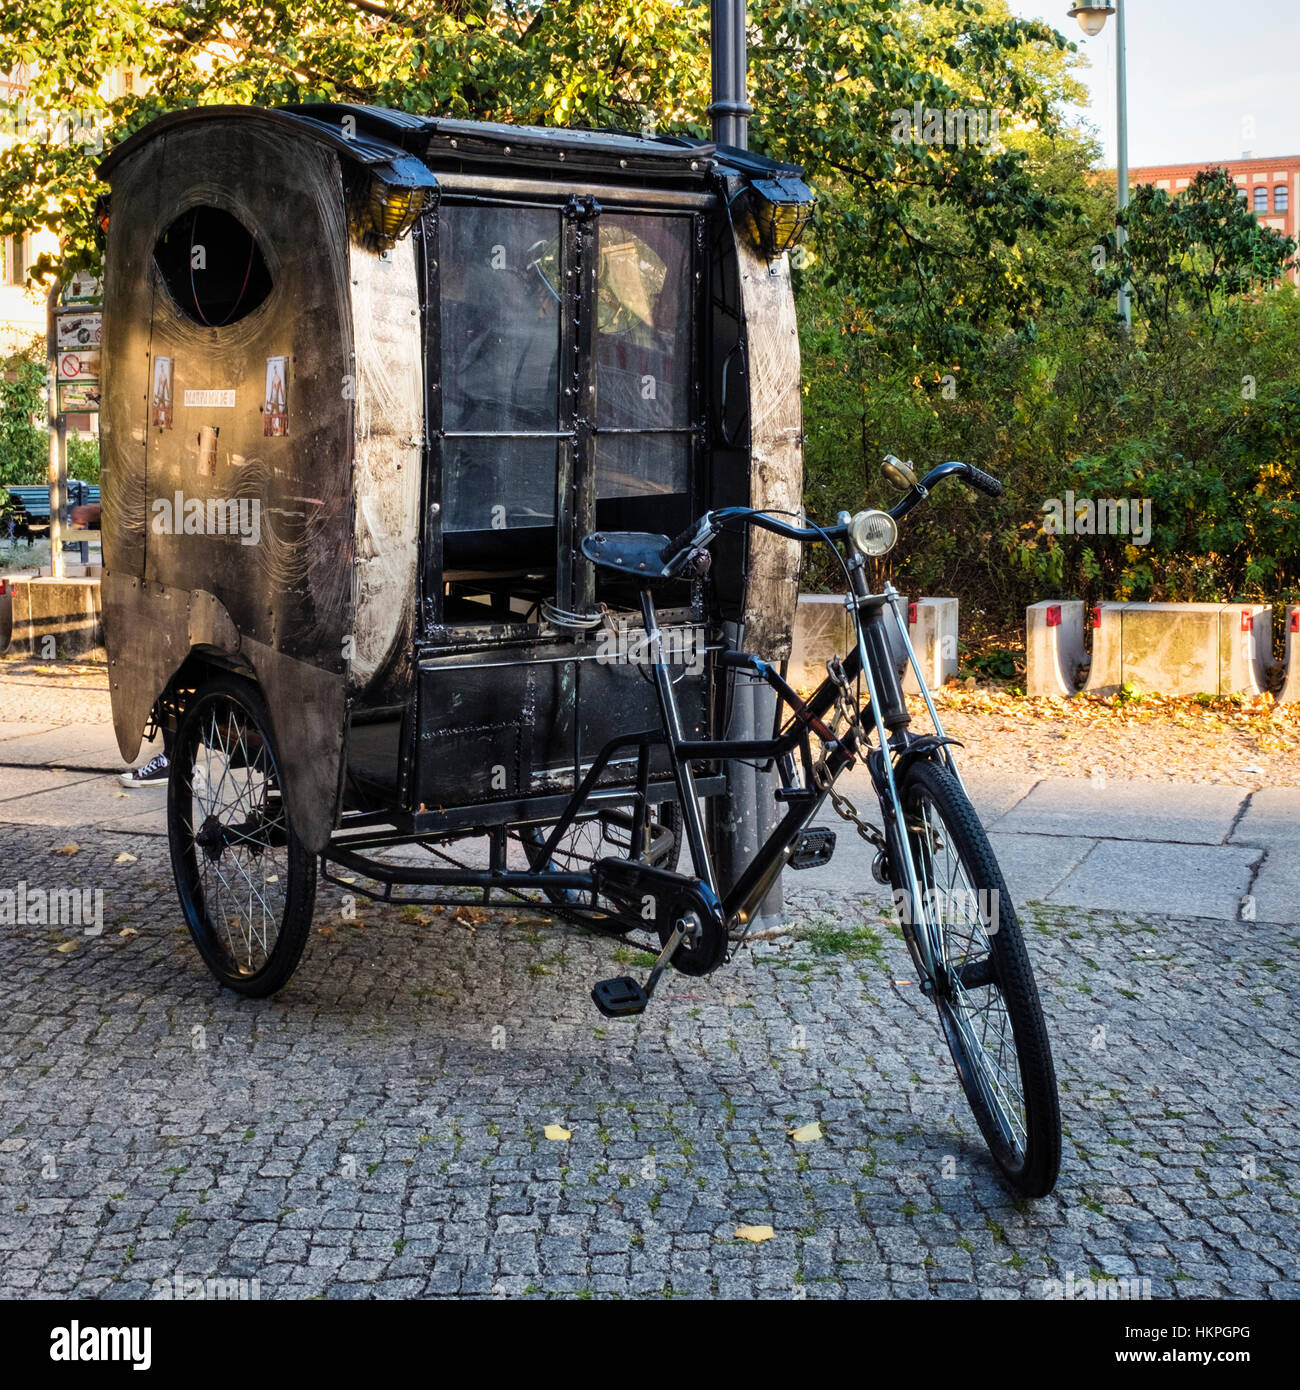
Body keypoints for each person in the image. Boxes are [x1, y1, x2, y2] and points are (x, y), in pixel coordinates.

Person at [69, 500, 172, 787]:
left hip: (160, 583)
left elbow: (145, 496)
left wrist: (95, 510)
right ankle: (176, 755)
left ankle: (174, 757)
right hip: (148, 582)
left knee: (160, 672)